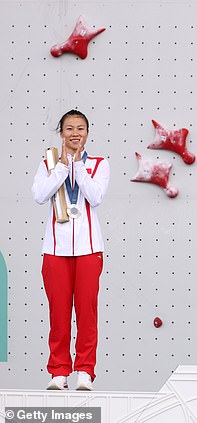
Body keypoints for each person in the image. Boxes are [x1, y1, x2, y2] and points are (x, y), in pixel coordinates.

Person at [32, 110, 110, 390]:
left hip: (90, 249)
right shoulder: (48, 163)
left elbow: (96, 197)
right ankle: (59, 371)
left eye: (80, 128)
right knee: (59, 313)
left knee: (87, 313)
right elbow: (40, 195)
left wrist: (77, 166)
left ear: (88, 132)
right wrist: (63, 167)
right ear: (61, 133)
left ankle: (85, 372)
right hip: (55, 249)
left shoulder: (99, 164)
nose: (75, 133)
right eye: (69, 129)